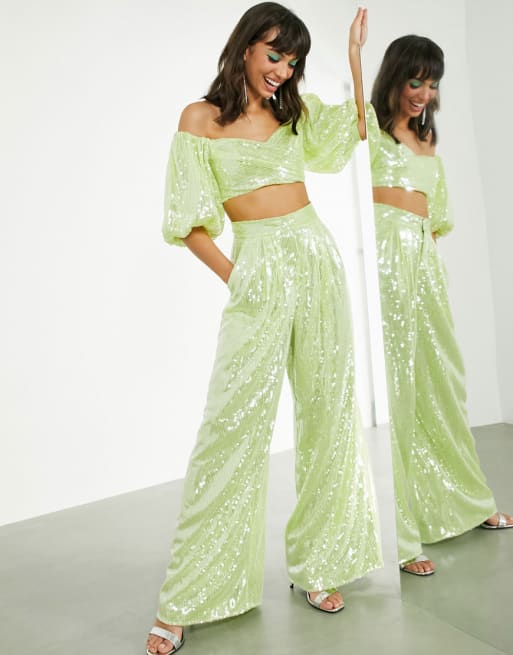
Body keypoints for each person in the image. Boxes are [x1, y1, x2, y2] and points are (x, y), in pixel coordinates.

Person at [146, 3, 383, 653]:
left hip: (317, 259)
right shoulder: (199, 119)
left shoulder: (292, 114)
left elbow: (354, 131)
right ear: (246, 46)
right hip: (257, 268)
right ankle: (187, 598)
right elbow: (188, 222)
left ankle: (320, 563)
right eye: (274, 54)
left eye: (293, 60)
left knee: (329, 411)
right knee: (231, 426)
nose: (282, 69)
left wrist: (354, 56)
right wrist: (237, 277)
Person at [368, 34, 513, 577]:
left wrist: (428, 269)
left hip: (423, 268)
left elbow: (433, 220)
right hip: (382, 266)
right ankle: (402, 534)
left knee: (443, 384)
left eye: (431, 85)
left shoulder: (428, 140)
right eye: (415, 81)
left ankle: (468, 502)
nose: (423, 94)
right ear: (395, 77)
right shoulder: (367, 132)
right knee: (400, 391)